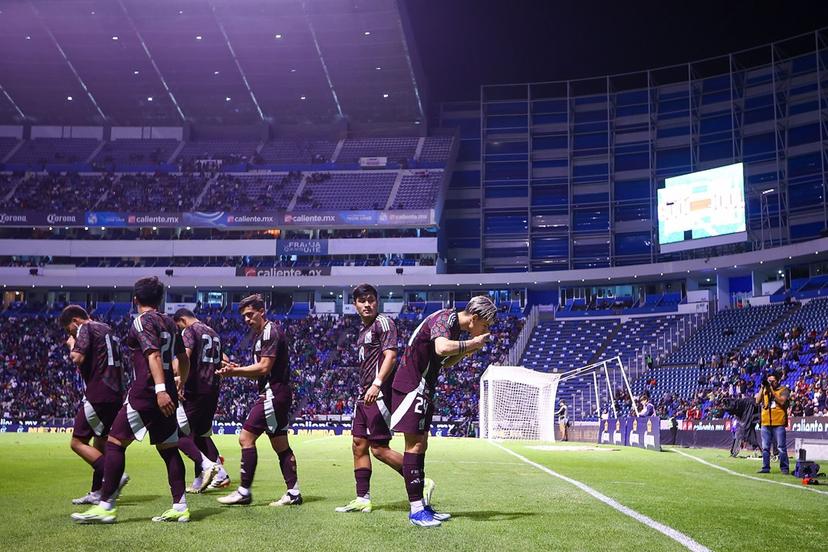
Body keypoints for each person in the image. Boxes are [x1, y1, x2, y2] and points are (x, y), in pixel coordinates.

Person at [71, 276, 192, 523]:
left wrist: (159, 390)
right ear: (160, 299)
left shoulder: (140, 321)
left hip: (147, 392)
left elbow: (154, 355)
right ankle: (180, 507)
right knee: (169, 449)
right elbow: (184, 358)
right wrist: (179, 382)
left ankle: (105, 506)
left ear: (135, 299)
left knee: (114, 442)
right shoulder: (170, 323)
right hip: (166, 390)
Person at [390, 295, 495, 527]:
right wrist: (473, 344)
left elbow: (445, 361)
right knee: (414, 445)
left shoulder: (454, 328)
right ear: (474, 318)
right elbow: (441, 347)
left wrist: (468, 350)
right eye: (484, 326)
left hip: (424, 386)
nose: (484, 330)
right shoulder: (445, 318)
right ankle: (416, 510)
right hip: (411, 384)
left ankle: (422, 506)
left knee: (421, 444)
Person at [336, 284, 421, 513]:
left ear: (377, 302)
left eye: (371, 300)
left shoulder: (383, 323)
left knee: (379, 448)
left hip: (379, 393)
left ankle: (421, 482)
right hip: (363, 394)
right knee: (358, 445)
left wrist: (377, 383)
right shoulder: (363, 330)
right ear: (354, 305)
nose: (367, 305)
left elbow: (390, 356)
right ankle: (362, 498)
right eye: (362, 301)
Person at [216, 294, 301, 507]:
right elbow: (259, 370)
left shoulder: (270, 332)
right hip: (278, 393)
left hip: (272, 393)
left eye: (250, 314)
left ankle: (244, 491)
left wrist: (234, 373)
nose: (246, 319)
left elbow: (264, 368)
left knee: (245, 438)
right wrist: (236, 368)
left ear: (261, 311)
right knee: (281, 445)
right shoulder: (261, 335)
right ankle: (293, 492)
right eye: (244, 316)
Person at [60, 305, 129, 506]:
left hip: (98, 393)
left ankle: (114, 476)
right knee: (100, 442)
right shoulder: (107, 329)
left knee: (77, 442)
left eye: (68, 329)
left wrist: (71, 344)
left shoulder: (85, 328)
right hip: (115, 392)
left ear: (75, 321)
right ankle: (97, 491)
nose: (70, 333)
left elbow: (77, 357)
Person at [172, 308, 230, 493]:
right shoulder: (213, 333)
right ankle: (201, 479)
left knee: (178, 434)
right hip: (212, 389)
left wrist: (174, 375)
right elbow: (225, 359)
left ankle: (217, 471)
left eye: (177, 326)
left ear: (181, 320)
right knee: (201, 435)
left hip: (195, 389)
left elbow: (184, 358)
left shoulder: (189, 331)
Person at [755, 369, 791, 474]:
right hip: (766, 422)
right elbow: (757, 401)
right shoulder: (765, 390)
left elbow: (782, 401)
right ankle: (765, 467)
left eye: (773, 381)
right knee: (765, 447)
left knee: (781, 447)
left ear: (778, 380)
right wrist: (762, 387)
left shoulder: (785, 389)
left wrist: (771, 390)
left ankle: (784, 468)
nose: (771, 383)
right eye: (769, 381)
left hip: (779, 422)